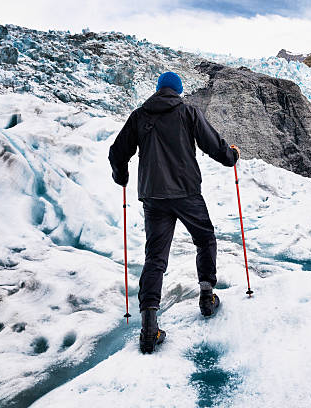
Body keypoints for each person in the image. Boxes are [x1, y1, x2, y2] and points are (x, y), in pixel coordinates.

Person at [108, 71, 240, 353]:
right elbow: (212, 143)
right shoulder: (187, 112)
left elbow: (117, 152)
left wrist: (122, 176)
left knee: (155, 257)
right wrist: (231, 157)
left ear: (158, 90)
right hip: (186, 192)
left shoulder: (141, 115)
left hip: (154, 197)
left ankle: (148, 329)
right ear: (178, 91)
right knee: (205, 239)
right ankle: (207, 297)